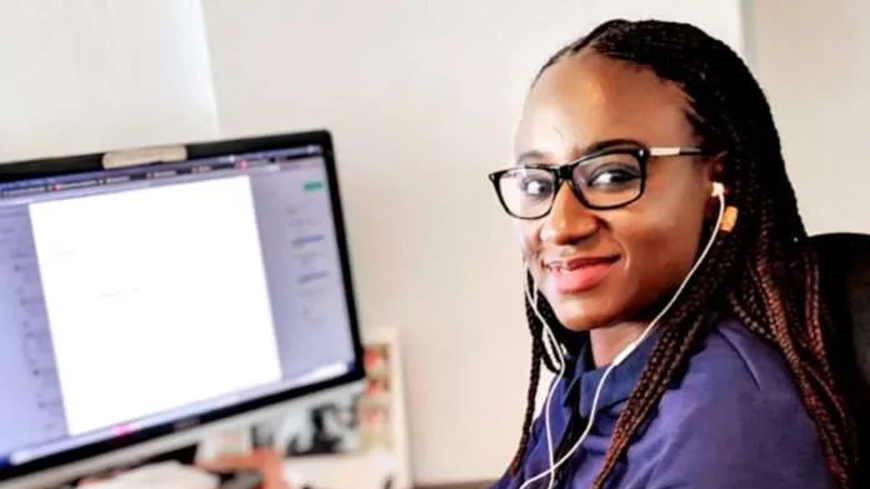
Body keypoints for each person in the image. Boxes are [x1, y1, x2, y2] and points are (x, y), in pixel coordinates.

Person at [487, 19, 856, 489]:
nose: (560, 225)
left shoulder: (724, 425)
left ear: (715, 184)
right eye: (538, 183)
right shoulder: (595, 379)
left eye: (612, 176)